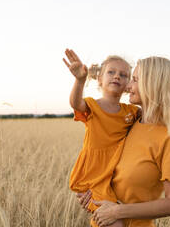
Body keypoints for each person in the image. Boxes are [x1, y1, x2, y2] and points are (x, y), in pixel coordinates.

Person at [79, 56, 170, 227]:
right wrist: (92, 197)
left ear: (151, 84)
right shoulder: (130, 123)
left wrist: (117, 211)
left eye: (135, 80)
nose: (129, 86)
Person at [62, 49, 139, 227]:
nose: (117, 76)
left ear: (129, 83)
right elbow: (75, 103)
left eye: (123, 74)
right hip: (93, 177)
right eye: (111, 72)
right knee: (115, 222)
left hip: (114, 175)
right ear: (99, 79)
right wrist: (80, 80)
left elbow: (154, 116)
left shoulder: (131, 112)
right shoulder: (92, 106)